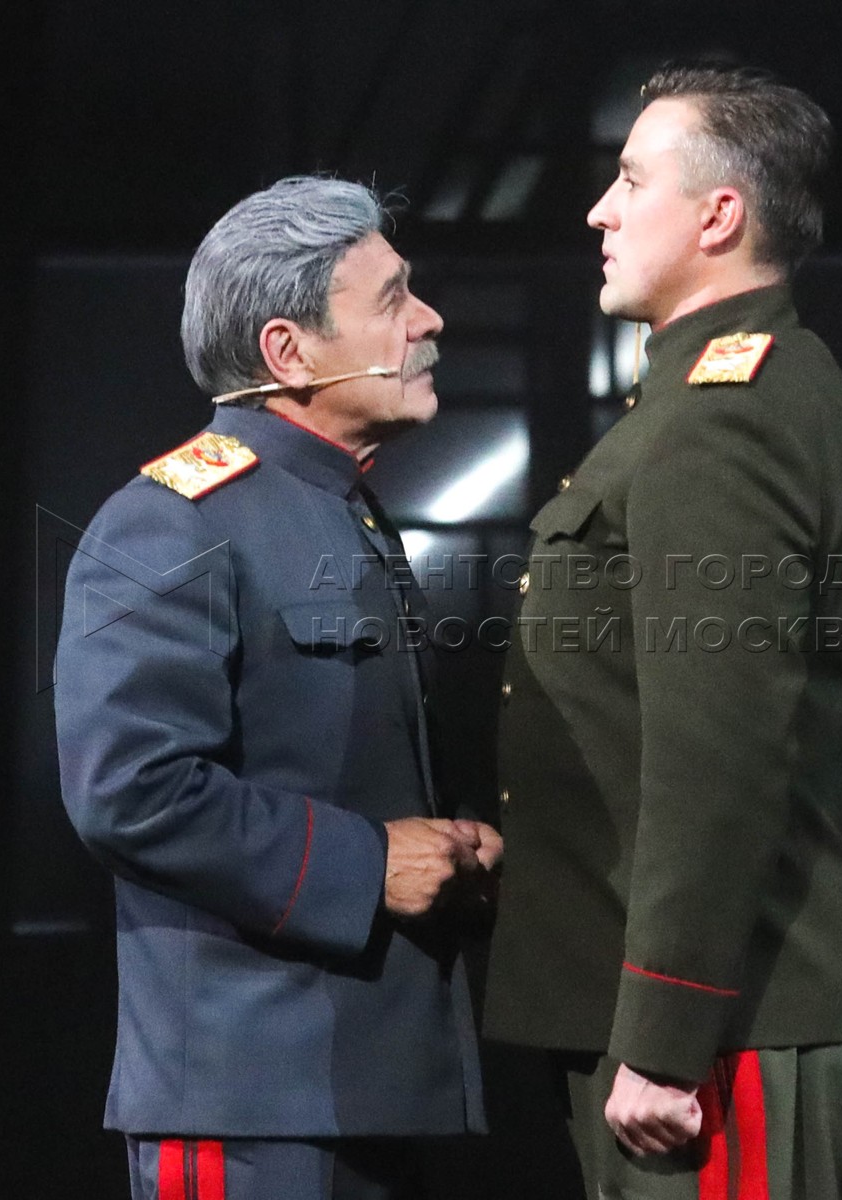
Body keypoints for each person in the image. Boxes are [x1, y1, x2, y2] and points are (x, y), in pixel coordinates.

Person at [484, 63, 842, 1199]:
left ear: (719, 216)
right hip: (708, 1015)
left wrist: (665, 1033)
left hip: (719, 1030)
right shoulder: (714, 394)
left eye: (628, 181)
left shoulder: (723, 419)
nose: (597, 212)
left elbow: (719, 753)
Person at [54, 175, 500, 1200]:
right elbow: (128, 791)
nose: (429, 320)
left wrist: (451, 852)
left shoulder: (340, 509)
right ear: (289, 353)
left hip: (362, 1085)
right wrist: (370, 864)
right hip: (251, 1100)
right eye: (392, 298)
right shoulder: (172, 519)